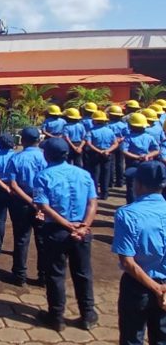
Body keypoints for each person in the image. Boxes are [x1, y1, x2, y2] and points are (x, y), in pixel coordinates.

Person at [93, 161, 166, 345]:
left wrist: (155, 289)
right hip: (165, 288)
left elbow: (128, 261)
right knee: (163, 341)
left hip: (139, 288)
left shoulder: (128, 213)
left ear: (140, 184)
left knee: (131, 343)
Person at [33, 138, 98, 332]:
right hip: (82, 231)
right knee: (83, 272)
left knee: (55, 274)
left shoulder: (43, 176)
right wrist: (83, 226)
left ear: (47, 155)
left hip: (56, 231)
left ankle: (56, 316)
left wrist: (67, 225)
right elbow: (92, 203)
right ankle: (87, 314)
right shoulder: (84, 174)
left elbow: (43, 206)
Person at [8, 127, 47, 287]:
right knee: (42, 240)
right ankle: (43, 276)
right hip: (44, 204)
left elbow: (13, 184)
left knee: (21, 239)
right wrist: (40, 204)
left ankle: (20, 275)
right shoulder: (46, 157)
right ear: (38, 140)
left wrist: (30, 201)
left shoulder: (16, 158)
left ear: (22, 140)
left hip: (21, 202)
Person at [122, 113, 159, 204]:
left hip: (132, 163)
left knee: (131, 185)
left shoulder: (128, 138)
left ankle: (131, 204)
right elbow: (157, 150)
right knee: (146, 185)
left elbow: (124, 151)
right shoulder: (149, 137)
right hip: (147, 163)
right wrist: (148, 156)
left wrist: (137, 157)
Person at [85, 110, 119, 200]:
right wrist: (107, 151)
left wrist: (99, 151)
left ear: (95, 120)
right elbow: (115, 143)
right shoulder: (110, 131)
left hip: (95, 154)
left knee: (95, 174)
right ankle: (105, 193)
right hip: (108, 154)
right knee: (106, 173)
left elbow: (89, 143)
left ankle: (95, 193)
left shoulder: (91, 131)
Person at [107, 105, 128, 188]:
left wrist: (115, 140)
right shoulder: (123, 125)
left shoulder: (108, 125)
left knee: (111, 163)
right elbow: (127, 135)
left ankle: (110, 182)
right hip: (120, 145)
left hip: (111, 145)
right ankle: (120, 182)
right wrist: (120, 139)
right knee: (120, 163)